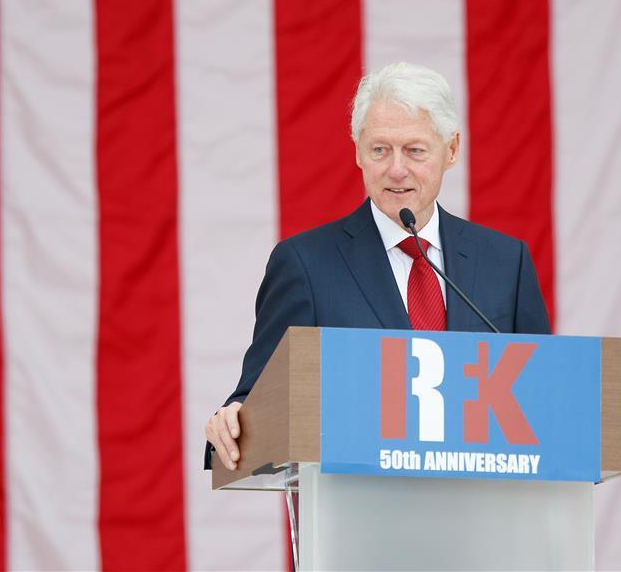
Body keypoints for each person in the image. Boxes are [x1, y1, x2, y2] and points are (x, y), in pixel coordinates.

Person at [205, 62, 550, 471]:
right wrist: (235, 418)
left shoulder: (505, 263)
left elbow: (544, 401)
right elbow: (259, 400)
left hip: (488, 517)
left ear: (452, 150)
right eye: (380, 149)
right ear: (358, 152)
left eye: (415, 150)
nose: (396, 169)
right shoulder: (306, 265)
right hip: (356, 518)